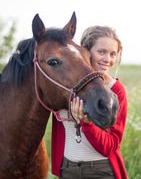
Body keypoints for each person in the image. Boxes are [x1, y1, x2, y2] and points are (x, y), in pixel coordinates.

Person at [51, 26, 128, 179]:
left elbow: (111, 146)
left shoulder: (116, 90)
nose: (108, 59)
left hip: (100, 171)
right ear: (86, 51)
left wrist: (87, 123)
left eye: (113, 54)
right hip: (67, 169)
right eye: (101, 52)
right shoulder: (65, 83)